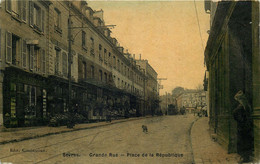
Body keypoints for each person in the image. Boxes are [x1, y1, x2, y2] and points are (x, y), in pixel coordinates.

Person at [233, 90, 253, 163]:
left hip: (244, 127)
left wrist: (241, 120)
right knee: (243, 141)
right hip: (244, 126)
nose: (239, 101)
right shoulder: (244, 106)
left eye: (239, 99)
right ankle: (244, 156)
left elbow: (236, 114)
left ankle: (245, 157)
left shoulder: (243, 106)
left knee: (243, 141)